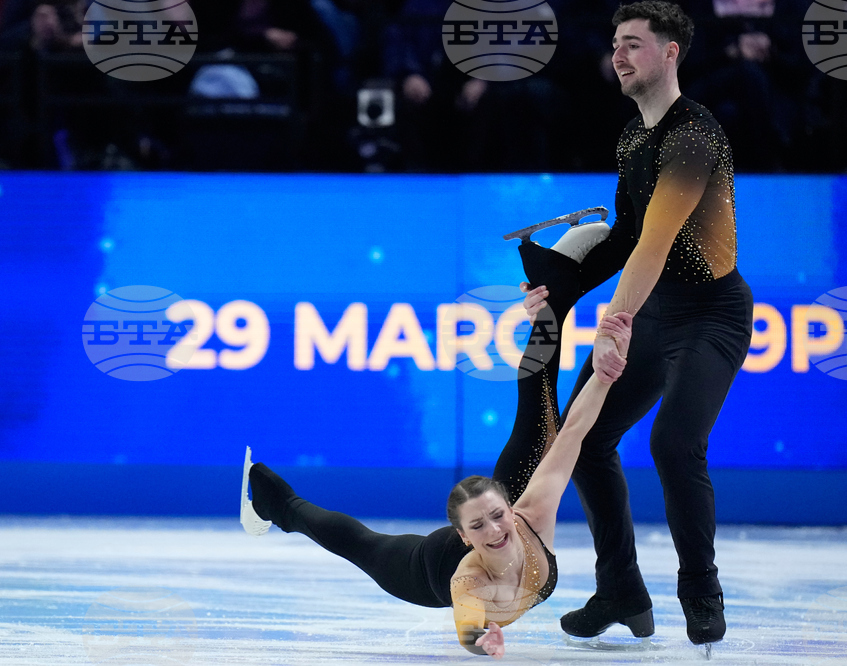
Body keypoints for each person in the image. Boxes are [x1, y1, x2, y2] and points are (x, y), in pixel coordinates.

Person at [241, 229, 633, 659]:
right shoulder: (468, 578)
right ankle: (279, 503)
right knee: (359, 542)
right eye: (479, 526)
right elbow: (467, 628)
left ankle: (551, 301)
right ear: (463, 537)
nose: (496, 530)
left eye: (497, 516)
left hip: (505, 499)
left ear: (510, 504)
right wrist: (482, 640)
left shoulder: (531, 513)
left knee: (541, 427)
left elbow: (575, 430)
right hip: (423, 571)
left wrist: (606, 371)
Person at [540, 0, 754, 652]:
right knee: (583, 438)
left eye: (633, 43)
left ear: (670, 53)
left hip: (712, 314)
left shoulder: (693, 136)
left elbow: (655, 244)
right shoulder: (633, 137)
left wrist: (613, 323)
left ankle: (701, 588)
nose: (619, 54)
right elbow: (627, 237)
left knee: (672, 442)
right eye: (614, 43)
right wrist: (557, 280)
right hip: (655, 311)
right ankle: (621, 589)